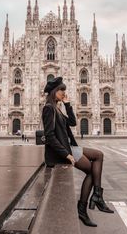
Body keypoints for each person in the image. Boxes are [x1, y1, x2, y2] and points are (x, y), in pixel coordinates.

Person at [42, 77, 114, 228]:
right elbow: (49, 136)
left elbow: (73, 123)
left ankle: (97, 196)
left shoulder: (57, 108)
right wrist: (66, 154)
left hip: (67, 148)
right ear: (55, 91)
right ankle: (87, 205)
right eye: (62, 90)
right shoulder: (48, 108)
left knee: (99, 155)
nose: (64, 93)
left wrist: (67, 105)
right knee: (92, 172)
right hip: (61, 153)